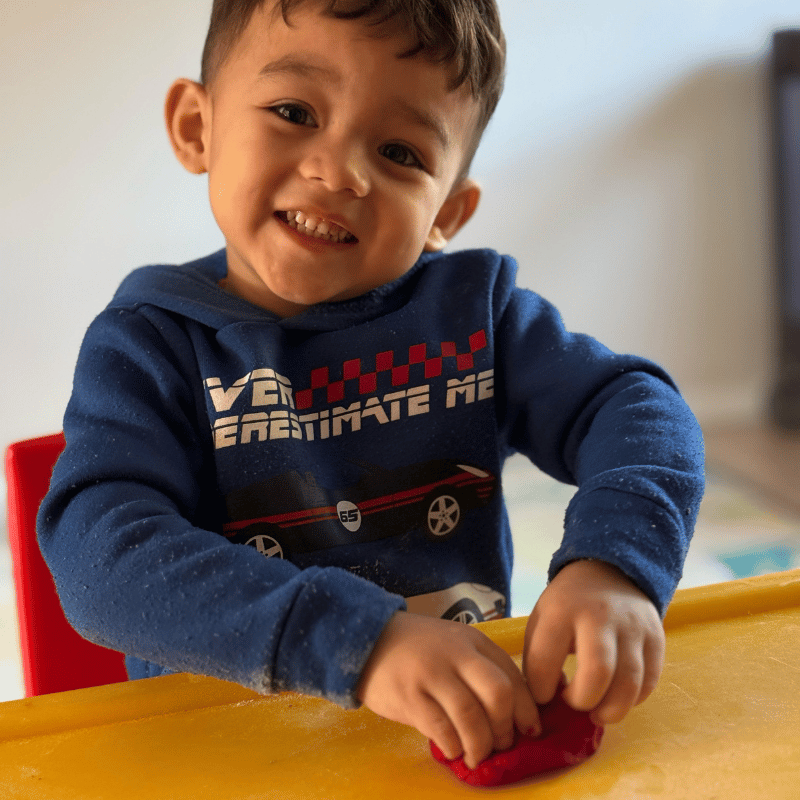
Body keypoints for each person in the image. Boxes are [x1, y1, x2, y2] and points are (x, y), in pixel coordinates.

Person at [38, 0, 704, 771]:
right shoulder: (150, 344)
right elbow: (103, 558)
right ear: (197, 127)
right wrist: (361, 642)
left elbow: (638, 409)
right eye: (294, 112)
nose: (339, 173)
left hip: (438, 749)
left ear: (447, 212)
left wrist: (614, 565)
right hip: (231, 758)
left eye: (399, 152)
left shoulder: (474, 317)